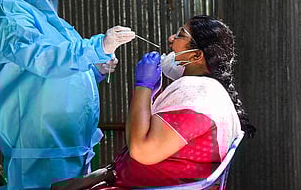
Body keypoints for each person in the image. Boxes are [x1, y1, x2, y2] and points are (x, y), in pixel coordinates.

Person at [0, 0, 136, 189]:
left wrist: (95, 68)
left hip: (68, 141)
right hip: (37, 142)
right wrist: (98, 46)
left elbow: (65, 72)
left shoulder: (53, 21)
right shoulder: (9, 15)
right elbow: (43, 59)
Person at [51, 15, 256, 190]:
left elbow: (141, 150)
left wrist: (143, 87)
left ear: (196, 55)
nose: (170, 39)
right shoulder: (204, 90)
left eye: (180, 35)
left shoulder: (198, 93)